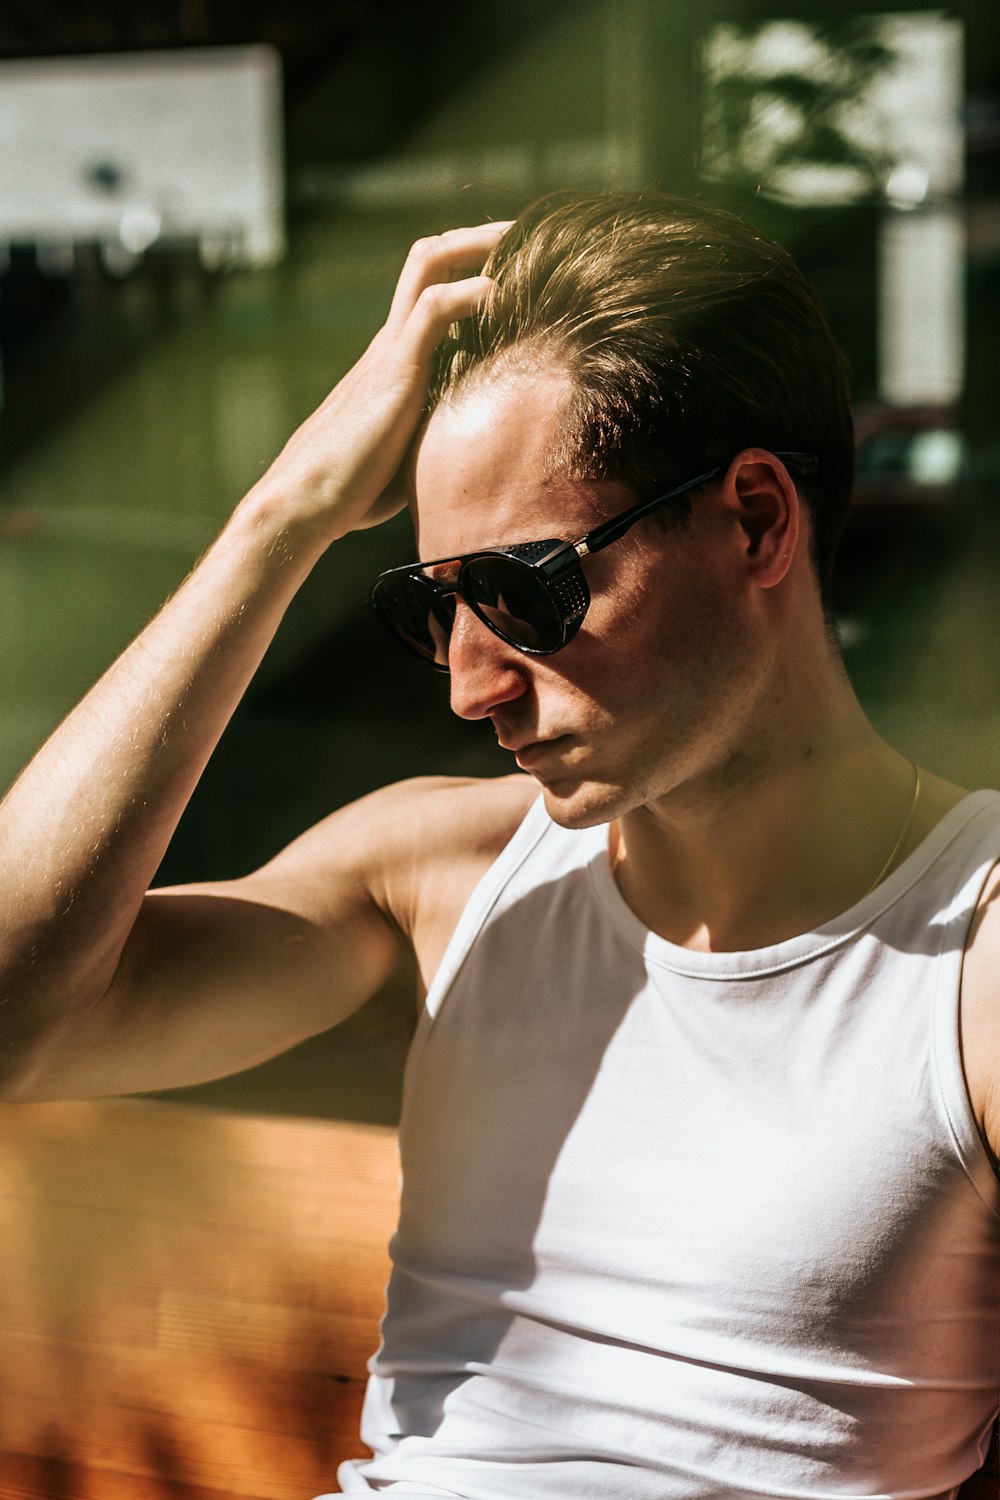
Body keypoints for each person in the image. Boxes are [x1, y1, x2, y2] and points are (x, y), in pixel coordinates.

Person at [0, 191, 997, 1498]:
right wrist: (284, 512)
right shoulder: (443, 874)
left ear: (754, 519)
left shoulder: (969, 954)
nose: (472, 686)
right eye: (436, 603)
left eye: (528, 589)